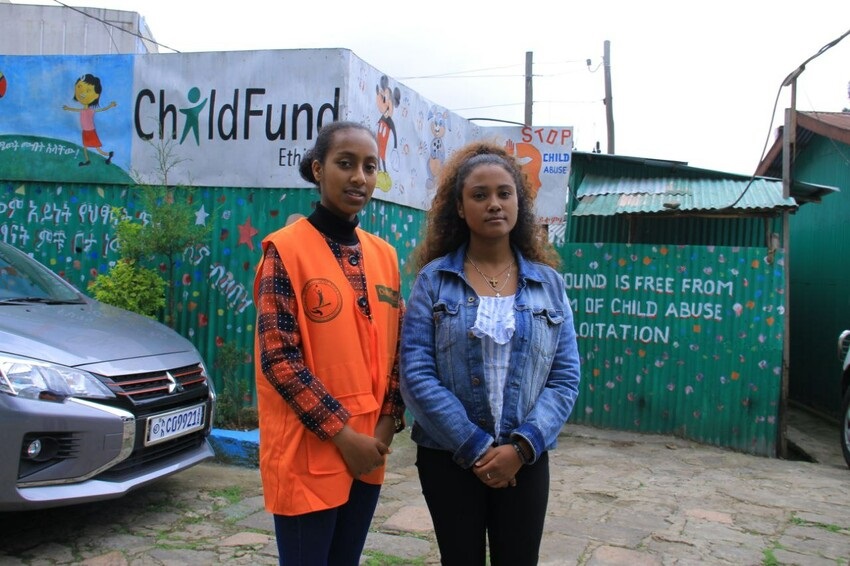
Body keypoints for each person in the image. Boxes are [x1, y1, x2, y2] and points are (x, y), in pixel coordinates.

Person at [399, 141, 581, 565]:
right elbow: (416, 372)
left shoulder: (549, 285)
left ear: (520, 203)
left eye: (504, 193)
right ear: (460, 208)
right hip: (449, 458)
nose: (494, 204)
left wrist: (519, 448)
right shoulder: (434, 281)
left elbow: (565, 377)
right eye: (479, 195)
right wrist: (477, 447)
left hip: (526, 460)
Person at [253, 120, 405, 566]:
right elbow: (279, 359)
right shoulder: (285, 250)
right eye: (346, 163)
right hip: (309, 450)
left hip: (368, 451)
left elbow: (396, 352)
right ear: (318, 170)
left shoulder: (384, 255)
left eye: (370, 166)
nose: (360, 177)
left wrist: (384, 427)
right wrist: (344, 436)